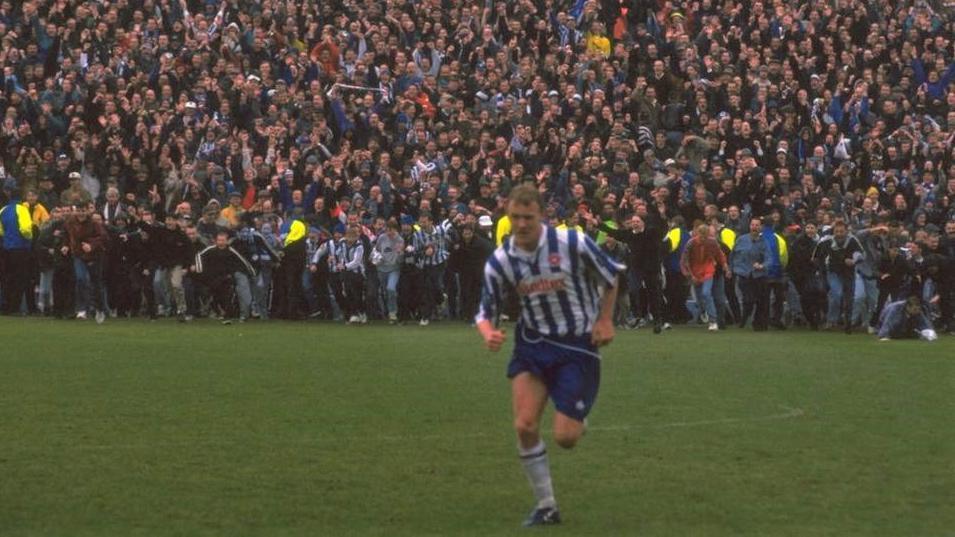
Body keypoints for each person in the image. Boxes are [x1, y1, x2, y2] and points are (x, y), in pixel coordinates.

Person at [475, 185, 623, 527]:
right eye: (515, 217)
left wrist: (604, 319)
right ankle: (546, 506)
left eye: (528, 217)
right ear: (507, 217)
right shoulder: (502, 260)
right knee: (525, 425)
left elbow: (611, 275)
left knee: (566, 438)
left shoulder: (572, 243)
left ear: (542, 215)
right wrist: (489, 333)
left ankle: (577, 416)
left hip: (577, 347)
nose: (522, 224)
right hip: (532, 345)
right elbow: (484, 311)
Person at [195, 230, 256, 324]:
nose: (221, 242)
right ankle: (218, 311)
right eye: (219, 240)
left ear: (227, 241)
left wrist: (252, 272)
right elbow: (199, 255)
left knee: (226, 296)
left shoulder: (231, 250)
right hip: (213, 278)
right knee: (215, 296)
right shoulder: (211, 249)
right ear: (216, 241)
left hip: (226, 278)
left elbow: (243, 261)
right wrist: (199, 269)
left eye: (223, 240)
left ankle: (227, 316)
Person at [814, 220, 864, 334]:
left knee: (850, 298)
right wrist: (821, 269)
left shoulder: (852, 240)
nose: (839, 234)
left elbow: (860, 253)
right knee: (838, 294)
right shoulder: (826, 241)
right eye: (837, 231)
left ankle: (848, 324)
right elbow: (816, 256)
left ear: (846, 231)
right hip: (833, 272)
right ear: (833, 231)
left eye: (842, 231)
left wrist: (853, 260)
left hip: (849, 272)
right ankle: (834, 318)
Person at [680, 223, 731, 331]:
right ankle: (703, 312)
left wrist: (725, 266)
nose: (703, 238)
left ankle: (713, 321)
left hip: (708, 269)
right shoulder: (691, 243)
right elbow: (684, 260)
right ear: (697, 234)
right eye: (701, 235)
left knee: (706, 293)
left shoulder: (712, 242)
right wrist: (689, 275)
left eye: (705, 235)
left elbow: (720, 255)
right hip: (695, 271)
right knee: (700, 300)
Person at [64, 205, 108, 323]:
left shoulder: (94, 224)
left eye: (83, 211)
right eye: (78, 211)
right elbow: (67, 235)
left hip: (94, 256)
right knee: (80, 279)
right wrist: (65, 245)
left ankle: (99, 309)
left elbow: (103, 237)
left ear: (88, 211)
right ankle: (81, 308)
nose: (81, 213)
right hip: (78, 255)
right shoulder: (70, 222)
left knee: (96, 283)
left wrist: (91, 245)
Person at [0, 179, 34, 314]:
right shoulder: (22, 209)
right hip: (21, 248)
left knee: (8, 277)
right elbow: (25, 228)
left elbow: (0, 230)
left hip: (6, 248)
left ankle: (6, 306)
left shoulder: (3, 210)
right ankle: (15, 307)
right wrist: (30, 238)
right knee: (20, 278)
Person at [732, 218, 770, 331]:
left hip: (759, 275)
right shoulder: (741, 240)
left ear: (760, 227)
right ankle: (744, 318)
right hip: (744, 274)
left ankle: (758, 324)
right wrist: (730, 269)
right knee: (748, 299)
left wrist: (762, 265)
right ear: (750, 226)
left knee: (761, 301)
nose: (754, 227)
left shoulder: (764, 242)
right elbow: (733, 255)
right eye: (752, 225)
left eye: (757, 225)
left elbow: (769, 258)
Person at [373, 219, 405, 323]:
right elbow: (376, 250)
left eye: (391, 230)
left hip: (394, 268)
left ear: (396, 230)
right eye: (387, 230)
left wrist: (400, 253)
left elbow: (401, 259)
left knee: (391, 288)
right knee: (385, 291)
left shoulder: (400, 240)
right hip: (381, 268)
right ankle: (387, 311)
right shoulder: (382, 238)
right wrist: (377, 258)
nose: (389, 232)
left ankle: (393, 312)